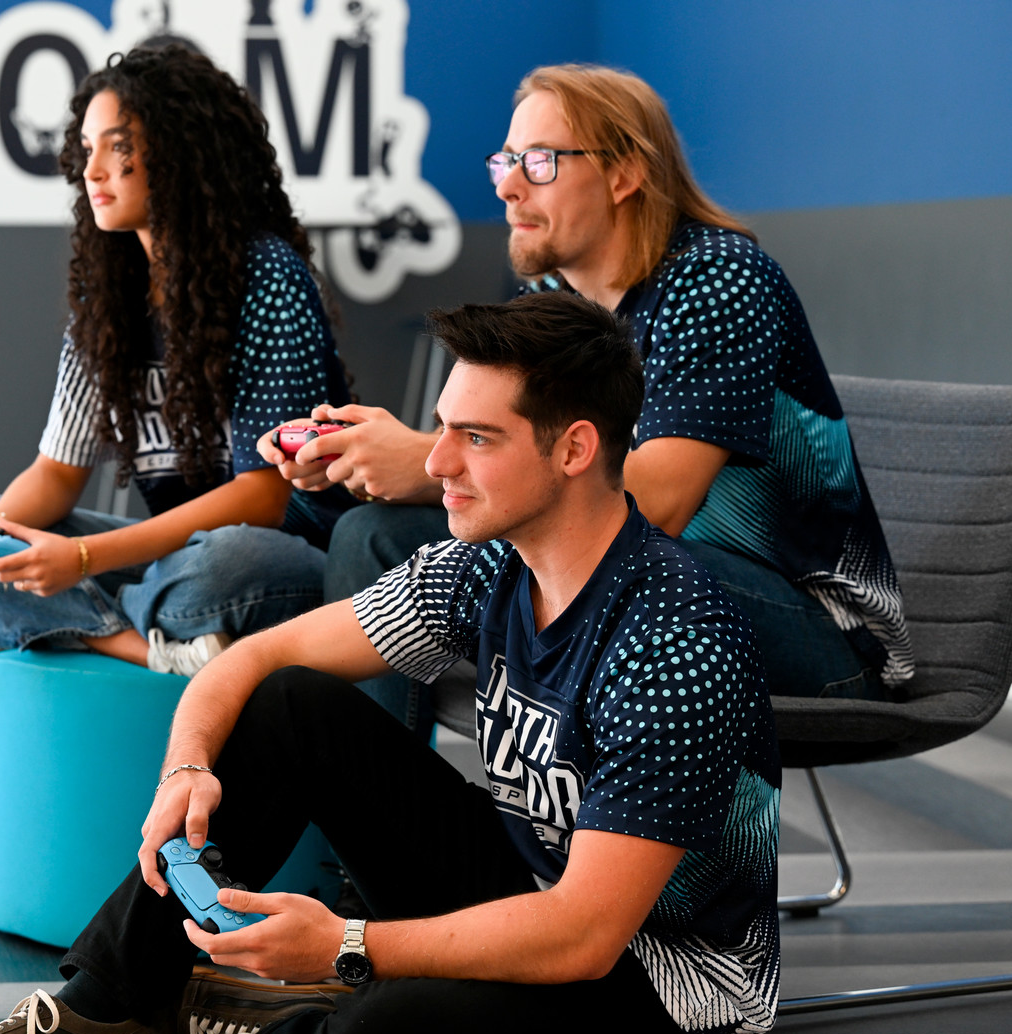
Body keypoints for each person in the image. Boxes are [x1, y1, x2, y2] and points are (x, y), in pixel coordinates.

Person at [0, 293, 781, 1034]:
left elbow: (587, 935)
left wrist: (347, 946)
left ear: (575, 449)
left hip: (656, 997)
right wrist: (187, 769)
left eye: (475, 438)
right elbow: (253, 660)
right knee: (290, 708)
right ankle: (91, 1019)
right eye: (444, 430)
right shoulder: (491, 566)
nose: (435, 464)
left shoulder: (675, 640)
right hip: (535, 890)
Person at [265, 63, 912, 728]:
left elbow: (655, 503)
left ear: (625, 174)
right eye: (506, 161)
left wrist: (424, 466)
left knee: (556, 556)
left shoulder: (719, 281)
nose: (510, 188)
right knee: (373, 533)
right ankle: (383, 817)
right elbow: (527, 460)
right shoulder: (556, 300)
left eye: (540, 162)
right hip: (646, 577)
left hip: (814, 627)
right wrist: (370, 459)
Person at [0, 45, 355, 676]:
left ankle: (66, 620)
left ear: (180, 154)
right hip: (164, 563)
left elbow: (264, 500)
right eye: (87, 147)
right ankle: (149, 649)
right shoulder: (112, 298)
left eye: (116, 146)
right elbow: (57, 474)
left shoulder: (266, 276)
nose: (90, 169)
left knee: (216, 564)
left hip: (286, 556)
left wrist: (81, 564)